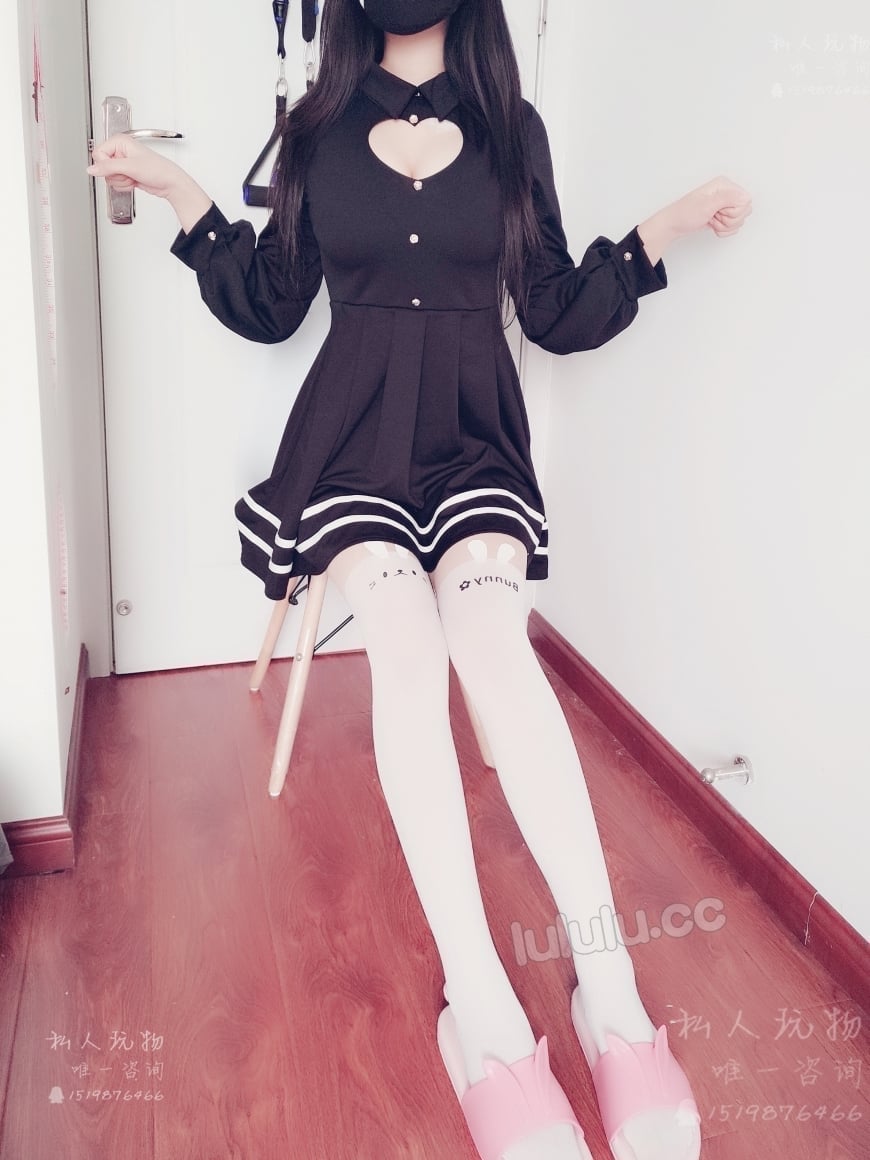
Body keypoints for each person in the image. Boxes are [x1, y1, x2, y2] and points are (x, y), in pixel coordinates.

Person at [88, 2, 752, 1157]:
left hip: (474, 447)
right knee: (404, 645)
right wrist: (183, 192)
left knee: (491, 644)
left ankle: (608, 988)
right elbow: (271, 303)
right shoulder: (316, 130)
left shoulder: (511, 127)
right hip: (351, 450)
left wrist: (664, 227)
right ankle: (481, 1005)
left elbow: (552, 307)